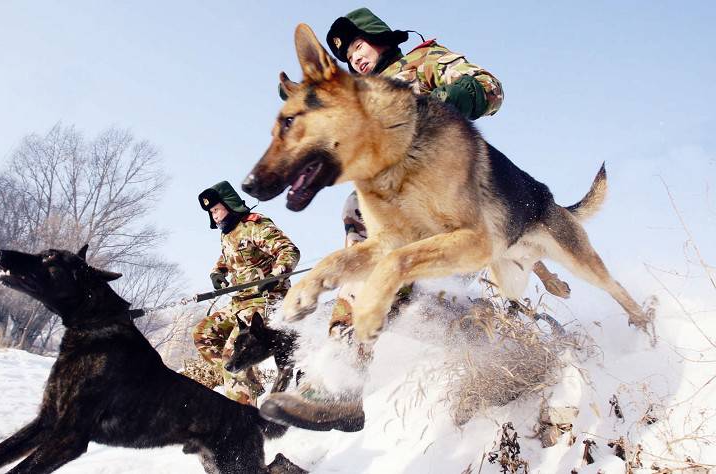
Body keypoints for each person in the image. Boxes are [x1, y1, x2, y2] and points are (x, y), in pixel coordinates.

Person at [261, 7, 570, 431]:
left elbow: (488, 87)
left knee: (452, 296)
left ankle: (527, 340)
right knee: (396, 280)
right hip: (391, 212)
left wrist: (446, 104)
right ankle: (340, 382)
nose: (356, 58)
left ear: (379, 38)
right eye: (348, 56)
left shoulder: (422, 61)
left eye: (358, 46)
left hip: (451, 206)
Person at [193, 181, 300, 406]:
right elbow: (229, 257)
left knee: (232, 358)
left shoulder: (255, 225)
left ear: (229, 204)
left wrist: (275, 276)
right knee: (203, 334)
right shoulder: (227, 233)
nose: (214, 215)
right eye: (211, 212)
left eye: (216, 209)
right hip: (240, 303)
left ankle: (245, 414)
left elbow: (289, 251)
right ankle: (248, 385)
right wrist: (217, 272)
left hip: (265, 301)